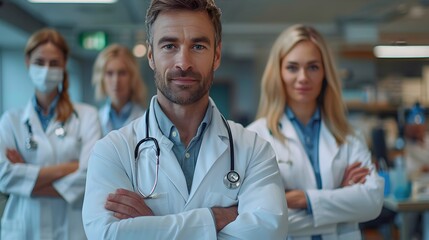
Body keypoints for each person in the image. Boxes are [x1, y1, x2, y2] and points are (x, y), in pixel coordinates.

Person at [82, 0, 288, 239]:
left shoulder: (254, 150)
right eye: (169, 46)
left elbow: (269, 232)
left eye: (198, 46)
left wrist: (151, 225)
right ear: (151, 55)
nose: (184, 63)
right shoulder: (112, 151)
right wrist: (216, 218)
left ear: (217, 55)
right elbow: (107, 234)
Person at [247, 24, 384, 240]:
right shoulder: (255, 137)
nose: (303, 77)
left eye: (313, 67)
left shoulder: (348, 134)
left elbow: (373, 202)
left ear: (325, 73)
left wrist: (303, 199)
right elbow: (258, 220)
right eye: (292, 67)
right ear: (279, 73)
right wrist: (342, 202)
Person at [0, 28, 101, 240]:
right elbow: (5, 177)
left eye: (54, 63)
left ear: (64, 64)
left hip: (71, 230)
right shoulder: (11, 120)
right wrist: (68, 168)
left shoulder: (87, 116)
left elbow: (89, 179)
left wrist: (25, 175)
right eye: (39, 62)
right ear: (27, 62)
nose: (46, 70)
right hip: (24, 228)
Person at [92, 43, 148, 136]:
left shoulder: (146, 120)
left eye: (122, 73)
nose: (116, 81)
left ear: (132, 77)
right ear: (101, 78)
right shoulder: (96, 120)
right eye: (109, 73)